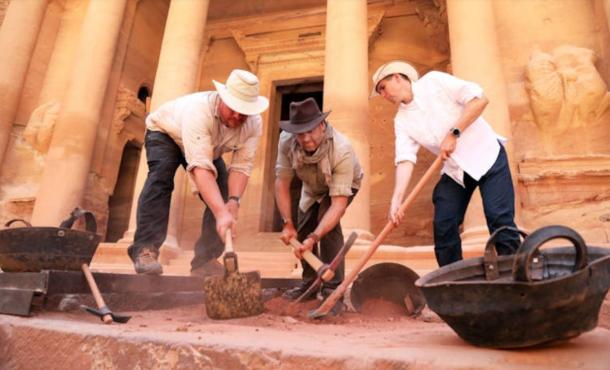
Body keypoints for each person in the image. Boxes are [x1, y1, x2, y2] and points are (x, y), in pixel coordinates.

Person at [371, 60, 520, 266]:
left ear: (397, 77)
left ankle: (516, 274)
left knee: (499, 218)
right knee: (444, 223)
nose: (383, 95)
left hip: (487, 156)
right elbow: (405, 158)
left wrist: (454, 132)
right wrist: (397, 200)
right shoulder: (402, 121)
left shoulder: (434, 82)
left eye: (383, 88)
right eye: (380, 92)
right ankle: (452, 282)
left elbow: (479, 99)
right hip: (456, 171)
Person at [128, 69, 269, 276]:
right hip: (166, 133)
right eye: (234, 108)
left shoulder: (254, 124)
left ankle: (205, 260)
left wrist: (233, 201)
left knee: (220, 195)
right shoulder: (199, 110)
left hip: (207, 147)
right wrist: (221, 214)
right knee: (161, 179)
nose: (239, 115)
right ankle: (145, 250)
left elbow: (241, 166)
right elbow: (200, 167)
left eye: (244, 111)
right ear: (222, 97)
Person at [275, 98, 363, 300]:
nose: (305, 139)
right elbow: (282, 182)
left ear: (322, 126)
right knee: (302, 228)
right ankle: (309, 284)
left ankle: (333, 288)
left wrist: (315, 238)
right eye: (300, 133)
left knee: (327, 226)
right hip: (311, 187)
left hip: (344, 185)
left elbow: (338, 205)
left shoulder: (342, 149)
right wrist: (287, 224)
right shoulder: (286, 141)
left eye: (310, 131)